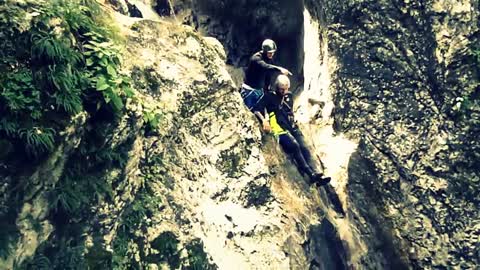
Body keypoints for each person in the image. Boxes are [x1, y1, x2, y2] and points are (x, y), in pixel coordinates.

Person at [253, 74, 331, 186]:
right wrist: (264, 121)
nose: (283, 91)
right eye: (281, 89)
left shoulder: (288, 96)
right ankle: (311, 175)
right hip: (279, 127)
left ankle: (317, 175)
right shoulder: (269, 97)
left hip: (292, 126)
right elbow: (256, 109)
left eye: (285, 89)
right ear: (276, 87)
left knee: (305, 148)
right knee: (295, 146)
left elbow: (290, 111)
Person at [241, 39, 292, 110]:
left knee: (259, 112)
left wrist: (267, 89)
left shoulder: (269, 60)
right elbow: (265, 66)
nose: (271, 54)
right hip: (249, 90)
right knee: (247, 110)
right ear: (264, 52)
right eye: (269, 53)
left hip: (259, 91)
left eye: (273, 52)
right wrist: (280, 69)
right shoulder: (256, 58)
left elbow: (268, 75)